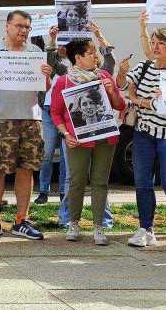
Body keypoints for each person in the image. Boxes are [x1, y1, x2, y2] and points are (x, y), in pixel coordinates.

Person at [0, 10, 54, 240]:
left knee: (26, 168)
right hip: (1, 118)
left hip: (31, 117)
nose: (23, 31)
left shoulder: (35, 51)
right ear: (7, 26)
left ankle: (21, 220)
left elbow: (45, 89)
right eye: (19, 26)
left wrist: (47, 77)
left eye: (27, 27)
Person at [49, 38, 125, 245]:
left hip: (105, 137)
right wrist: (65, 134)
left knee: (100, 181)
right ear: (78, 58)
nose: (96, 56)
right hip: (77, 140)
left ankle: (99, 226)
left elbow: (120, 105)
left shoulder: (104, 76)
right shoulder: (64, 81)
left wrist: (110, 90)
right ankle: (73, 222)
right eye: (90, 53)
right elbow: (55, 113)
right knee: (76, 182)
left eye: (95, 52)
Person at [121, 23, 166, 250]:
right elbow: (125, 87)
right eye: (153, 42)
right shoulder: (143, 66)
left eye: (161, 43)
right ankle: (145, 228)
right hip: (144, 133)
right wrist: (123, 73)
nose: (155, 47)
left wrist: (151, 101)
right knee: (142, 183)